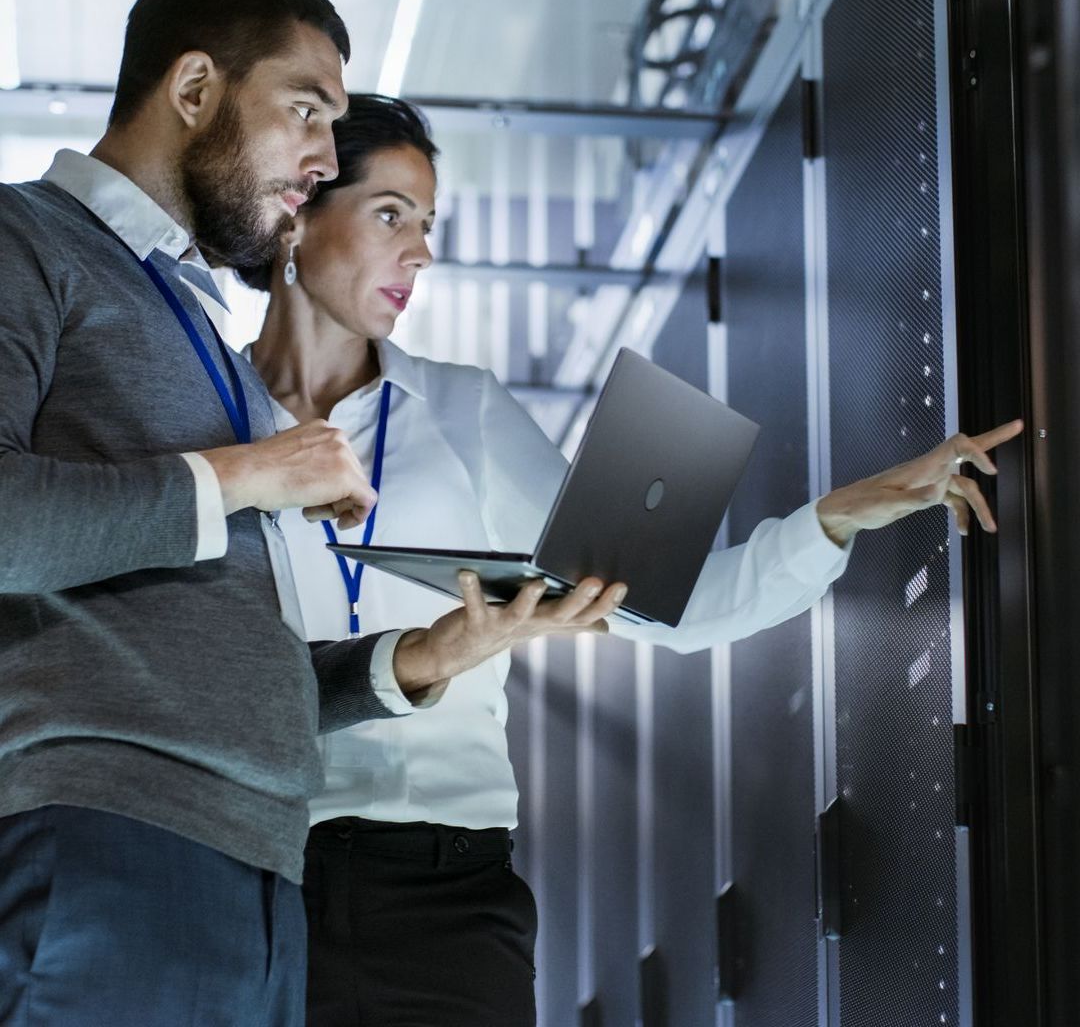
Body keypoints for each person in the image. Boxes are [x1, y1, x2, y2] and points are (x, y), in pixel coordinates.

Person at [243, 93, 1024, 1027]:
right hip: (251, 875)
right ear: (300, 212)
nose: (421, 251)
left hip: (444, 892)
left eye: (428, 224)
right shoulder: (204, 419)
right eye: (389, 215)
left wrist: (838, 517)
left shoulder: (465, 412)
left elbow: (669, 607)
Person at [0, 0, 625, 1027]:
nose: (321, 158)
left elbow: (225, 648)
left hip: (258, 875)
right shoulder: (25, 241)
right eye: (306, 110)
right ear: (194, 91)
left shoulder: (193, 322)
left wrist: (423, 658)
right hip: (110, 841)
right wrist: (256, 470)